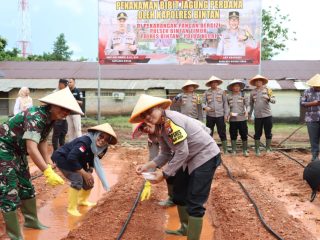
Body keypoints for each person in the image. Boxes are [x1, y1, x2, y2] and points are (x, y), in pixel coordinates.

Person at [129, 94, 221, 240]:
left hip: (205, 156)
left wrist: (164, 174)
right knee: (179, 193)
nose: (147, 117)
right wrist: (148, 166)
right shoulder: (160, 127)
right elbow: (165, 153)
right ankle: (185, 228)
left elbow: (182, 151)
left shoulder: (170, 121)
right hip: (189, 158)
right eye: (143, 115)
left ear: (159, 108)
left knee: (195, 200)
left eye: (149, 112)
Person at [0, 87, 83, 240]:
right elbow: (32, 148)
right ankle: (14, 235)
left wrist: (48, 161)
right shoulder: (36, 116)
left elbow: (42, 140)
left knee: (26, 186)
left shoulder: (50, 119)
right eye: (63, 108)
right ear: (52, 105)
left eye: (68, 111)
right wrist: (46, 171)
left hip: (17, 151)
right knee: (9, 190)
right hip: (3, 149)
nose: (65, 113)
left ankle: (31, 222)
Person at [52, 123, 117, 216]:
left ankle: (82, 201)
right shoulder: (84, 142)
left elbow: (93, 159)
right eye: (101, 136)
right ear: (96, 134)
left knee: (89, 180)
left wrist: (89, 171)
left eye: (106, 139)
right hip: (63, 158)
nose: (102, 140)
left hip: (78, 160)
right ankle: (72, 208)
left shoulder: (103, 148)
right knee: (77, 178)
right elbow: (71, 158)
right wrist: (84, 173)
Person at [132, 122, 175, 207]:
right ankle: (172, 198)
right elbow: (160, 155)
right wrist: (146, 170)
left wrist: (165, 172)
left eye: (145, 124)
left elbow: (178, 152)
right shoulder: (152, 137)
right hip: (178, 152)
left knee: (174, 172)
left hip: (188, 151)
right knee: (170, 173)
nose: (145, 128)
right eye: (141, 128)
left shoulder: (168, 128)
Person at [249, 75, 276, 156]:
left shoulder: (268, 90)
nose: (258, 82)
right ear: (254, 83)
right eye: (256, 81)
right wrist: (249, 115)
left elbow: (274, 101)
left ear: (262, 82)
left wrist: (268, 98)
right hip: (257, 116)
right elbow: (251, 105)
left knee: (268, 132)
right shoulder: (252, 92)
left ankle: (267, 148)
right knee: (257, 133)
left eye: (259, 81)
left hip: (267, 115)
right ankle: (257, 150)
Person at [202, 75, 229, 154]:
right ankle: (209, 150)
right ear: (210, 84)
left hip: (220, 115)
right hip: (210, 116)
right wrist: (205, 107)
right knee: (209, 132)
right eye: (212, 83)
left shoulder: (222, 92)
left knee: (222, 132)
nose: (214, 84)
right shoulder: (206, 92)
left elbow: (225, 104)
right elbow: (202, 103)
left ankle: (225, 149)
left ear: (217, 83)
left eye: (215, 82)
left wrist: (226, 114)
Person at [227, 79, 249, 156]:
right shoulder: (228, 96)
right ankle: (233, 150)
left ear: (240, 87)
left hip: (242, 118)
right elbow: (226, 107)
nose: (236, 87)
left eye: (238, 86)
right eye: (234, 86)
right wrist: (228, 113)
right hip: (232, 119)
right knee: (233, 134)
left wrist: (247, 111)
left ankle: (245, 150)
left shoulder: (244, 95)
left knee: (244, 134)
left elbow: (248, 105)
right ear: (232, 87)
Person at [300, 74, 320, 161]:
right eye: (316, 86)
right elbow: (302, 103)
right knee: (313, 139)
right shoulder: (307, 92)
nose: (317, 88)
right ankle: (315, 157)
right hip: (311, 119)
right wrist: (314, 103)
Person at [52, 79, 69, 150]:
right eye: (65, 85)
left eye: (66, 85)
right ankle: (55, 151)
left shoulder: (66, 93)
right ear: (60, 84)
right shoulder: (55, 93)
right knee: (56, 135)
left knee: (63, 134)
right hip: (57, 118)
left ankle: (62, 151)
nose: (66, 86)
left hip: (64, 118)